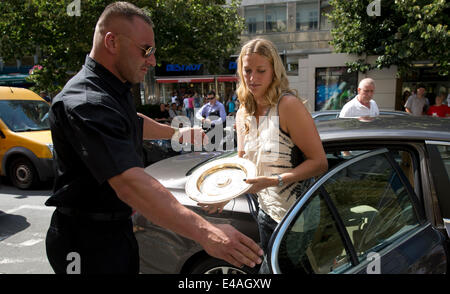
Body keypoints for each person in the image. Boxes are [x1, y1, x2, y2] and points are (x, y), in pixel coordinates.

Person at [45, 2, 262, 274]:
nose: (152, 60)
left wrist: (176, 133)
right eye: (145, 50)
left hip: (115, 230)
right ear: (111, 42)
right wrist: (206, 232)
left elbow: (130, 121)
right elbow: (130, 184)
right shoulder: (86, 102)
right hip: (85, 242)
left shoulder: (111, 87)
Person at [199, 38, 328, 272]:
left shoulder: (288, 106)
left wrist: (275, 180)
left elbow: (319, 163)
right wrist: (223, 194)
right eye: (247, 70)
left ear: (274, 72)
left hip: (296, 218)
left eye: (261, 70)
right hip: (265, 212)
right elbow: (244, 166)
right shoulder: (242, 112)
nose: (253, 78)